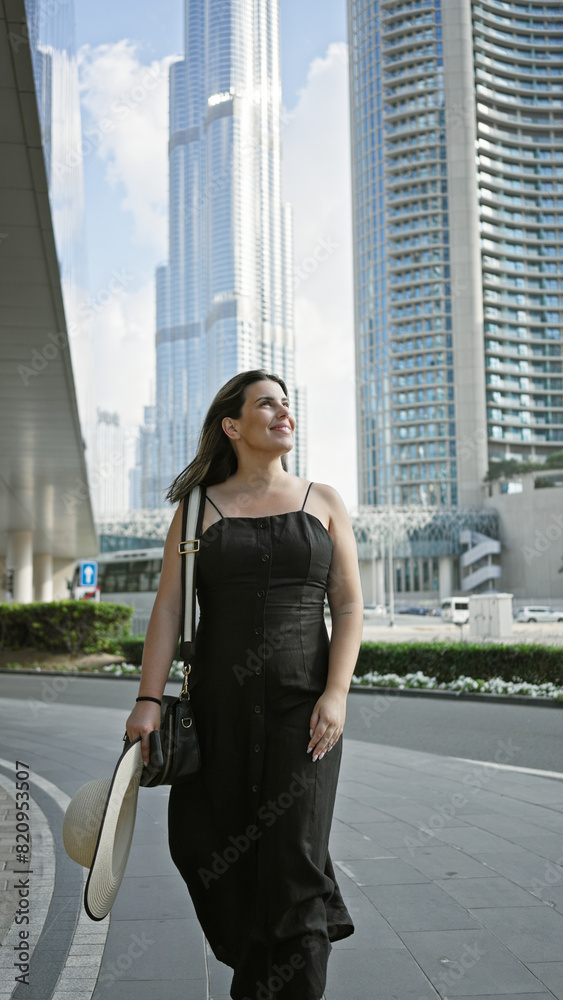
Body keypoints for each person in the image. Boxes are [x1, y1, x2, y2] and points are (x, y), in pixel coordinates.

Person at [126, 369, 363, 1000]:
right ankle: (257, 979)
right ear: (233, 425)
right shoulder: (198, 507)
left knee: (296, 864)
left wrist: (335, 694)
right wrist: (148, 702)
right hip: (218, 714)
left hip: (305, 715)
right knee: (209, 848)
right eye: (267, 404)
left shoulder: (324, 501)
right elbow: (169, 611)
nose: (284, 412)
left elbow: (348, 608)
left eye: (288, 403)